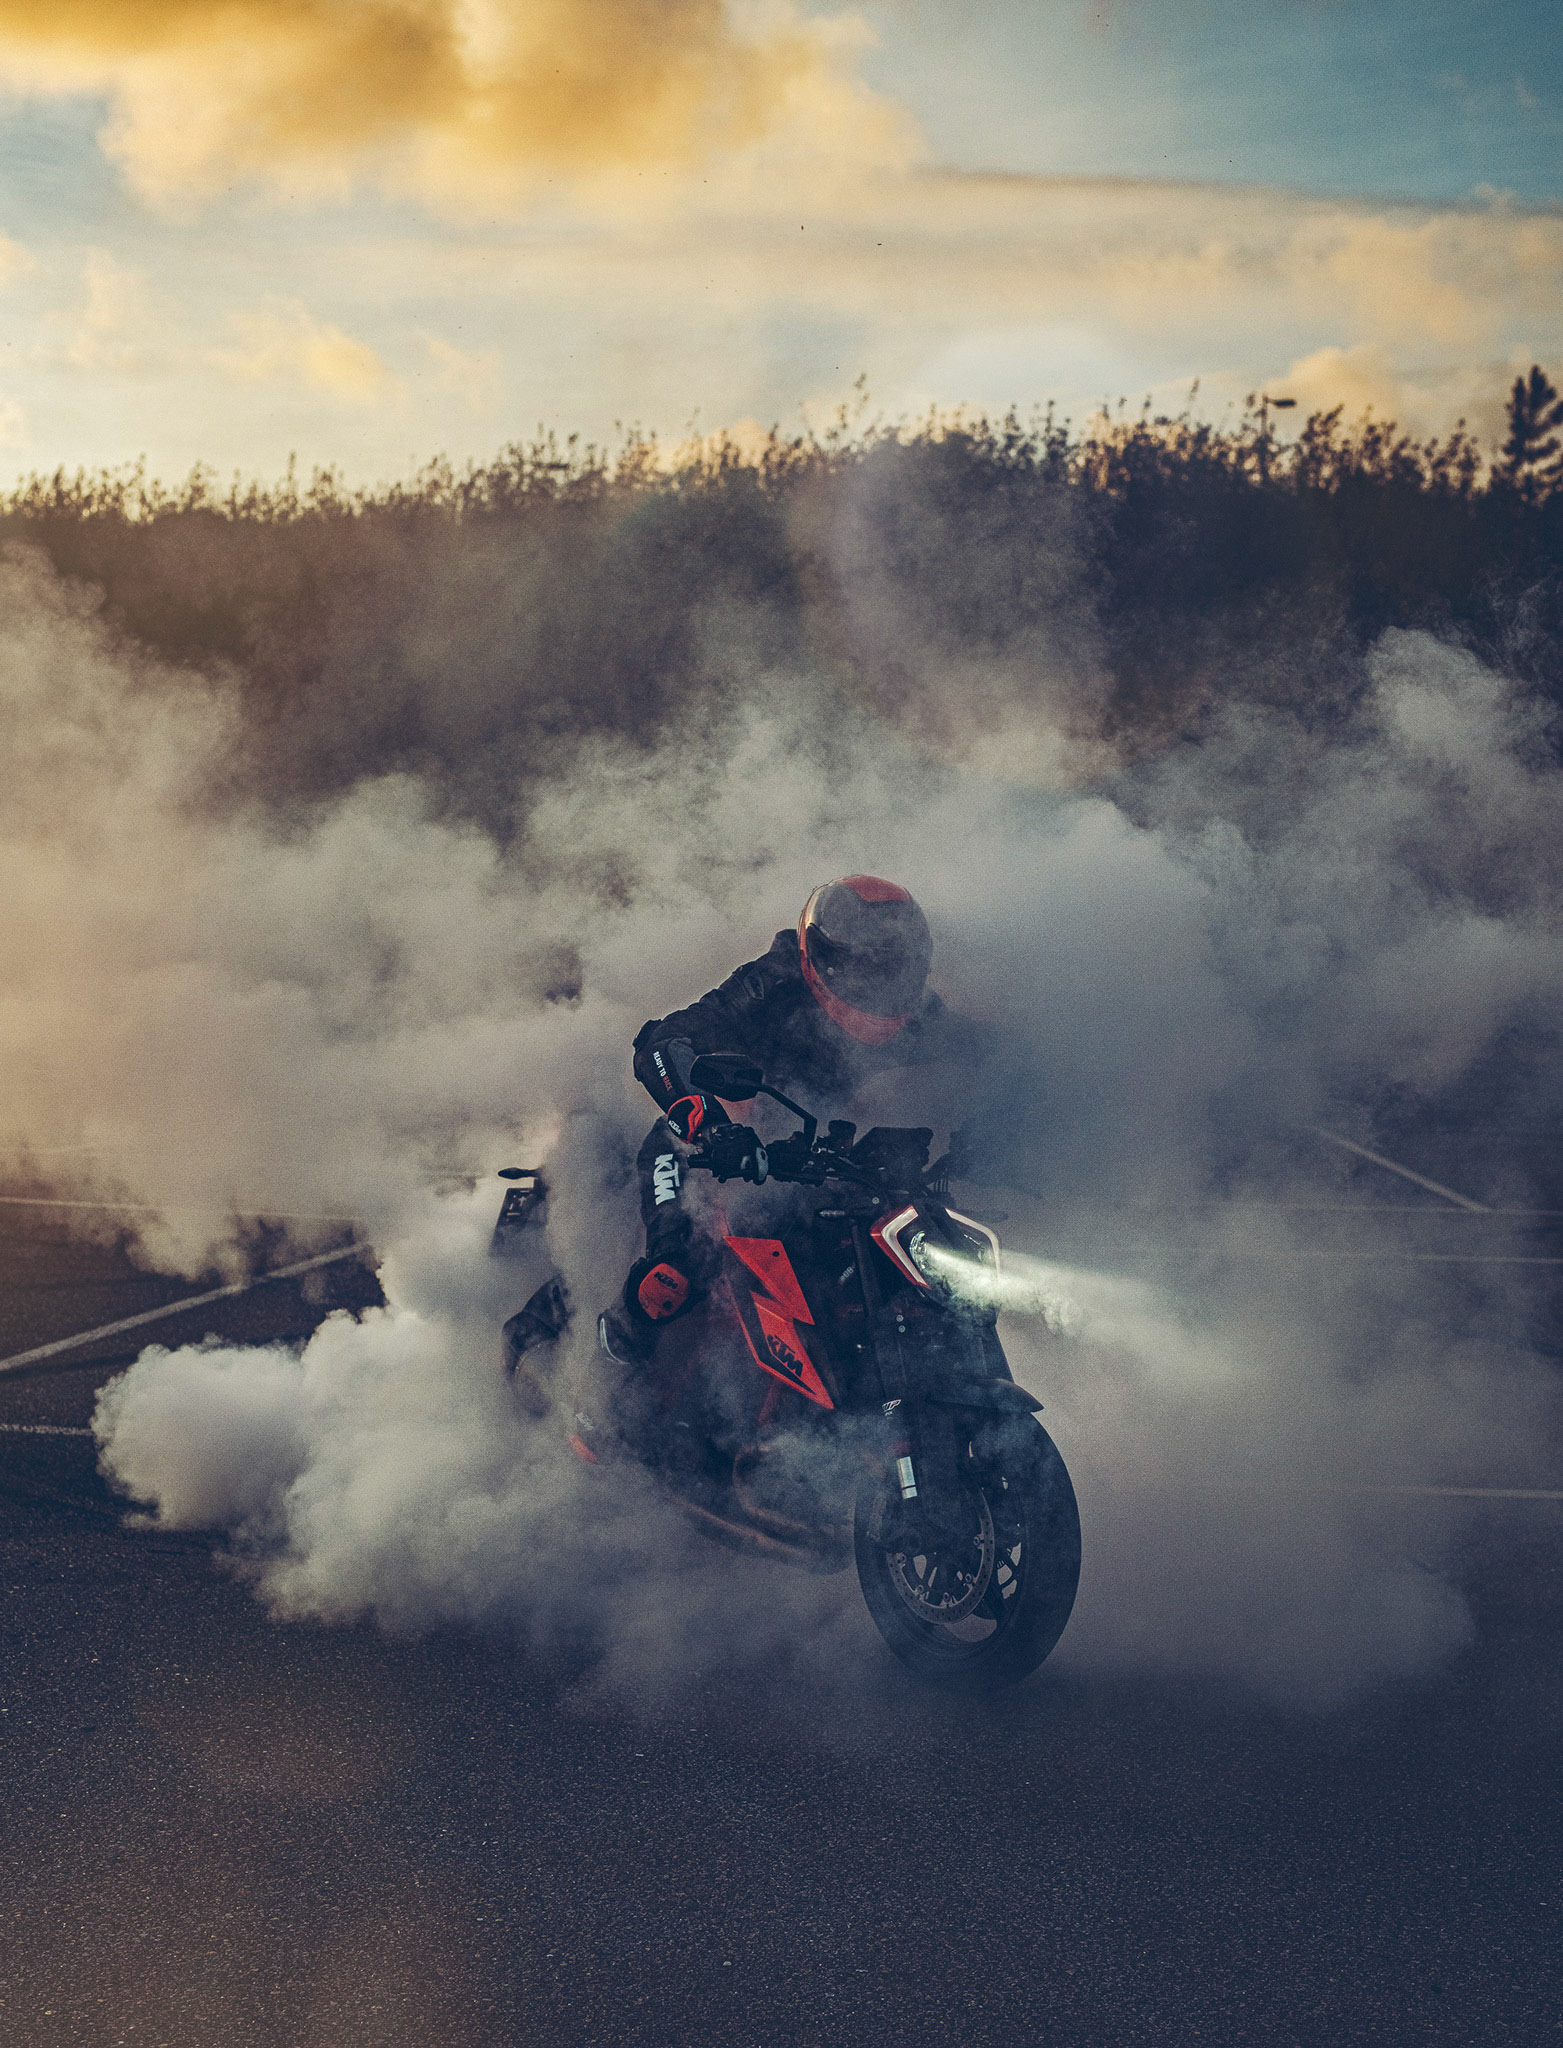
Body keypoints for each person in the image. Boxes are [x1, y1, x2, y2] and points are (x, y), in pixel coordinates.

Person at [599, 874, 1022, 1367]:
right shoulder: (769, 986)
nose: (882, 987)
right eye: (870, 970)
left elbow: (1006, 1061)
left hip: (819, 1161)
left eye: (897, 970)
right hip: (716, 1147)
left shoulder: (919, 1017)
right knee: (669, 1281)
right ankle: (609, 1368)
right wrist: (713, 1127)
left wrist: (992, 1135)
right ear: (827, 959)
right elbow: (661, 1047)